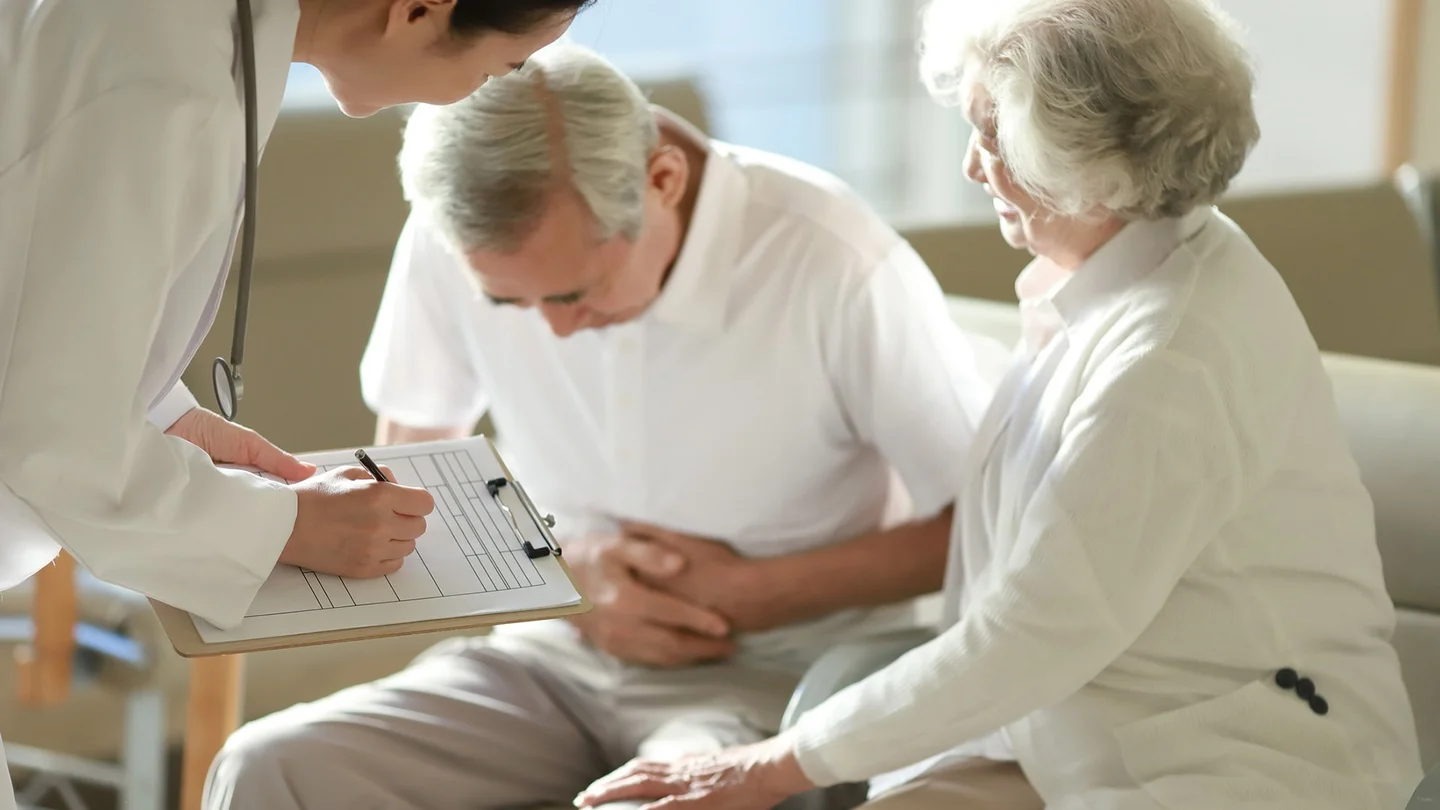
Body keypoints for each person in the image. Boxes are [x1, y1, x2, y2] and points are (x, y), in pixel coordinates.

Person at [573, 1, 1428, 809]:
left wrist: (759, 767)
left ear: (1089, 166)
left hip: (1228, 766)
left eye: (992, 135)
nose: (970, 165)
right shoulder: (1107, 275)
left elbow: (1030, 634)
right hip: (1063, 733)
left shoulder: (1167, 364)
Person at [200, 41, 1007, 810]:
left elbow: (978, 525)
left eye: (574, 291)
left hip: (774, 673)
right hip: (548, 655)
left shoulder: (832, 257)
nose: (554, 330)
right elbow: (411, 474)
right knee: (267, 765)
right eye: (510, 303)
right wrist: (569, 577)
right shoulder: (454, 240)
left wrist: (748, 596)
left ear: (661, 178)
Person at [0, 1, 588, 804]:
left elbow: (35, 284)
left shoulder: (180, 38)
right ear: (420, 10)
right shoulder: (164, 80)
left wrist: (161, 413)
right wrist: (284, 526)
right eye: (499, 68)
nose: (469, 96)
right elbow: (61, 441)